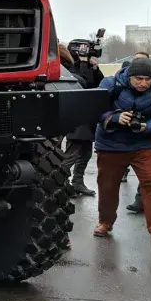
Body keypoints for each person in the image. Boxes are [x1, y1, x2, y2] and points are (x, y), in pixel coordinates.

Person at [92, 57, 151, 254]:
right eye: (139, 79)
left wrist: (147, 127)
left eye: (148, 79)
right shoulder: (110, 83)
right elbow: (94, 109)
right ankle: (105, 221)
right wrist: (115, 117)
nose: (143, 83)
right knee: (107, 187)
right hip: (110, 144)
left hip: (142, 143)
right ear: (129, 75)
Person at [61, 41, 105, 196]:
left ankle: (77, 182)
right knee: (72, 154)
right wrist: (84, 62)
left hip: (88, 117)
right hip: (77, 118)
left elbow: (98, 83)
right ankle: (61, 184)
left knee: (86, 154)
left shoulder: (85, 66)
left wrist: (95, 68)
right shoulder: (68, 68)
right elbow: (83, 82)